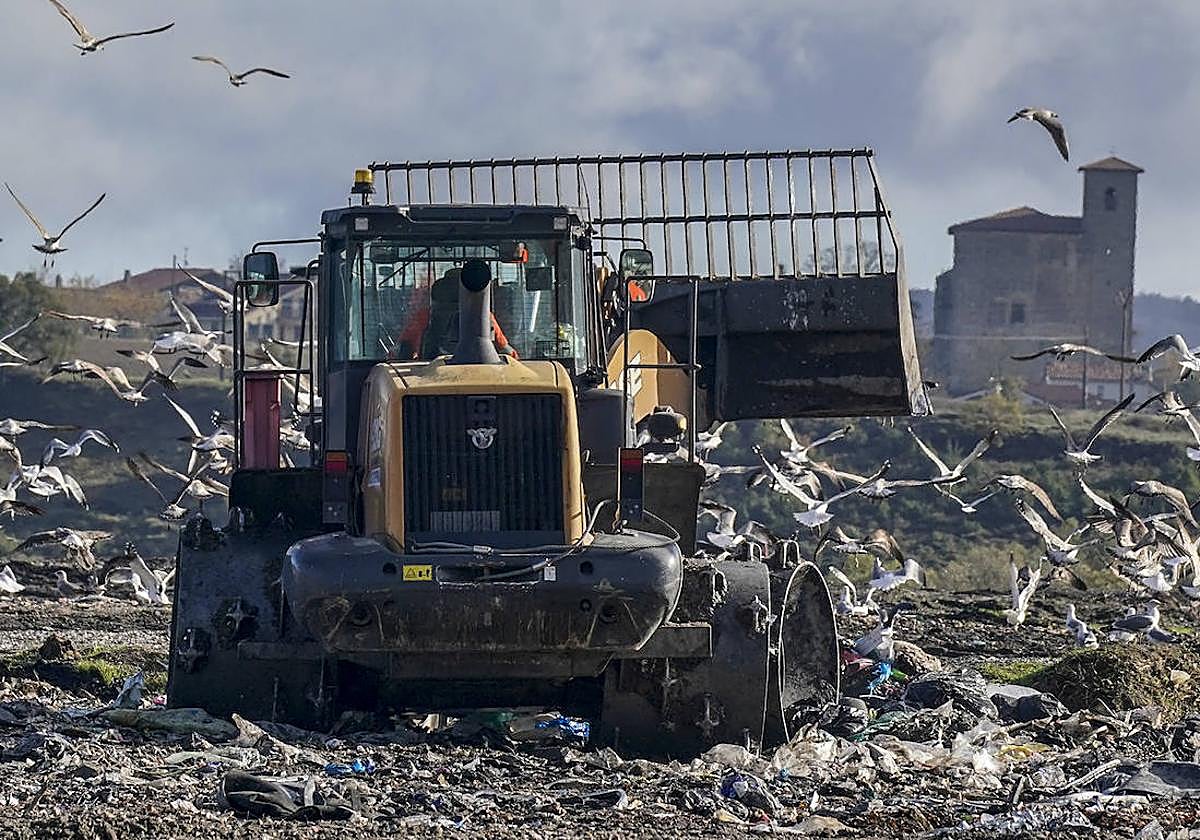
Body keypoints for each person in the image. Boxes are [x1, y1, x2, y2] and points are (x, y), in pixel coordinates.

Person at [394, 266, 516, 360]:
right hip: (481, 373)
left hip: (430, 376)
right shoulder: (483, 315)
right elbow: (506, 351)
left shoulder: (425, 316)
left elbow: (404, 351)